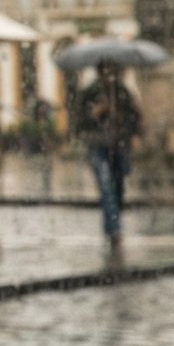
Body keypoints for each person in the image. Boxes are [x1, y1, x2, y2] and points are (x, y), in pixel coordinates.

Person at [74, 63, 143, 247]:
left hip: (119, 144)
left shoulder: (122, 92)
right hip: (98, 145)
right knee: (106, 186)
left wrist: (131, 124)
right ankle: (114, 230)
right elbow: (79, 121)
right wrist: (95, 114)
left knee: (118, 186)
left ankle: (111, 223)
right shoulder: (90, 92)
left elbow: (134, 118)